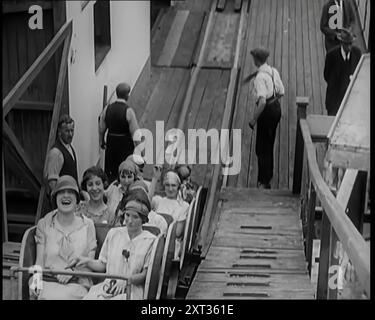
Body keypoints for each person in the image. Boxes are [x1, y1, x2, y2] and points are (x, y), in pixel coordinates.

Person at [70, 199, 156, 300]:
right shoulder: (114, 234)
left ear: (143, 220)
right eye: (127, 215)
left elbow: (145, 275)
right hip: (108, 286)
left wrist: (126, 281)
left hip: (132, 290)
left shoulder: (150, 240)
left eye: (135, 217)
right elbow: (103, 265)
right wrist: (86, 261)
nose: (130, 220)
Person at [29, 176, 97, 300]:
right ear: (55, 198)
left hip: (77, 283)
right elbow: (39, 262)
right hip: (47, 281)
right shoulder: (44, 224)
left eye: (70, 192)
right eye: (61, 192)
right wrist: (35, 284)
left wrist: (72, 272)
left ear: (77, 199)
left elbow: (89, 264)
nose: (66, 195)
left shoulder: (88, 225)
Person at [247, 48, 284, 189]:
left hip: (266, 112)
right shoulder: (274, 71)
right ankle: (268, 176)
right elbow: (281, 91)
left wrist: (254, 119)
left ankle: (263, 181)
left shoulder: (259, 78)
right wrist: (273, 102)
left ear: (256, 60)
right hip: (276, 109)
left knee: (261, 148)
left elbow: (262, 101)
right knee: (269, 144)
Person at [99, 83, 140, 183]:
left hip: (111, 143)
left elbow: (101, 128)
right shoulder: (129, 111)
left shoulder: (107, 109)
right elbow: (135, 133)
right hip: (125, 145)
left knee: (111, 170)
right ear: (127, 95)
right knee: (125, 169)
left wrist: (101, 140)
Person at [324, 29, 361, 116]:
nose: (349, 47)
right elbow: (326, 75)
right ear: (341, 43)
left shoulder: (357, 53)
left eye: (350, 44)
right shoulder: (331, 55)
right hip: (334, 100)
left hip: (351, 101)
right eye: (346, 44)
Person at [45, 115, 78, 195]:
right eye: (67, 131)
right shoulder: (56, 153)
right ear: (59, 132)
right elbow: (53, 183)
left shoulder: (69, 147)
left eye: (72, 130)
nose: (70, 134)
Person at [105, 159, 139, 224]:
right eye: (123, 177)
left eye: (129, 177)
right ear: (118, 177)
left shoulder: (138, 191)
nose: (126, 181)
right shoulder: (113, 187)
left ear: (134, 178)